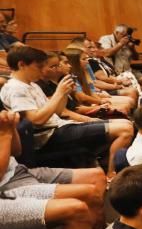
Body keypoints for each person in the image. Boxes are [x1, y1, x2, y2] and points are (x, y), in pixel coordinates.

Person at [1, 45, 133, 178]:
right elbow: (36, 120)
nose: (42, 71)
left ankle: (107, 168)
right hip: (48, 137)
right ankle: (112, 174)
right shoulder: (15, 88)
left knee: (125, 123)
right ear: (22, 64)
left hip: (60, 127)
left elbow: (57, 111)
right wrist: (59, 93)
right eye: (38, 66)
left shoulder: (31, 84)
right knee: (124, 129)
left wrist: (64, 93)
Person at [0, 110, 105, 229]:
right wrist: (4, 134)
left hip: (17, 171)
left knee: (96, 179)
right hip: (6, 188)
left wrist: (10, 128)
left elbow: (16, 151)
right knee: (79, 207)